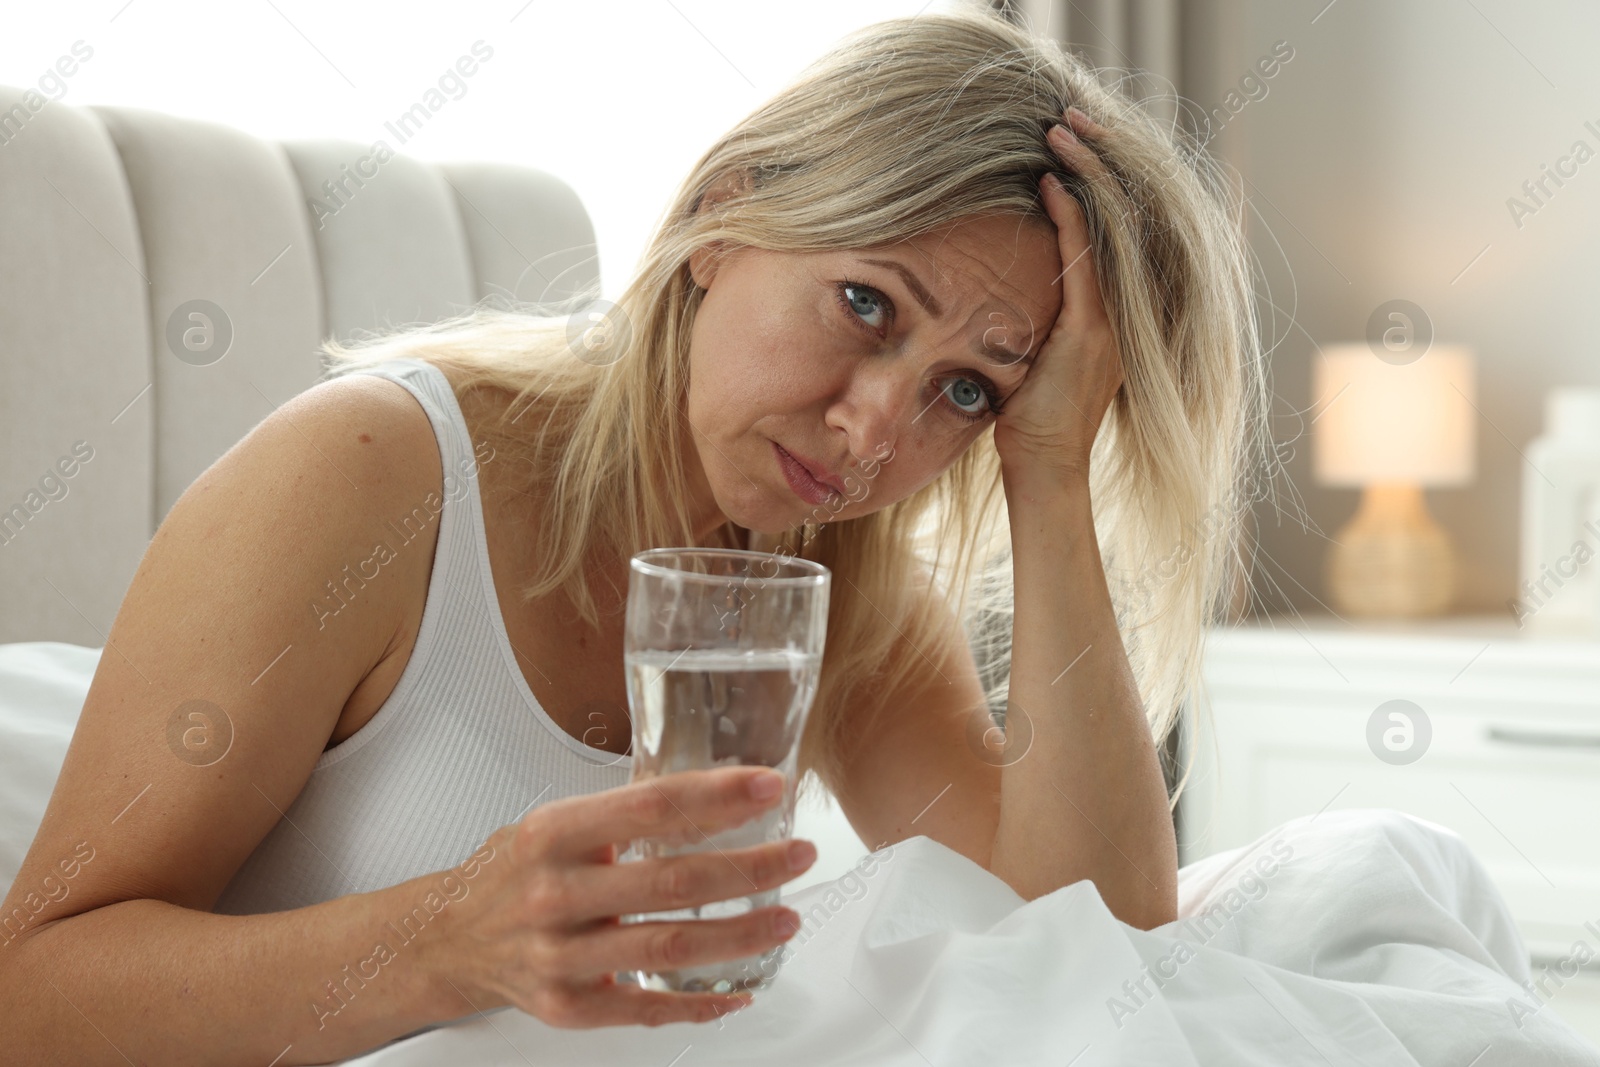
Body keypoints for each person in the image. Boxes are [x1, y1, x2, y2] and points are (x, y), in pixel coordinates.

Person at [0, 6, 1267, 1063]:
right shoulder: (372, 475)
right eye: (867, 302)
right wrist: (443, 939)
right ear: (725, 215)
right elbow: (32, 994)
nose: (875, 432)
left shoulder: (836, 577)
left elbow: (1090, 942)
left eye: (967, 388)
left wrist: (1045, 468)